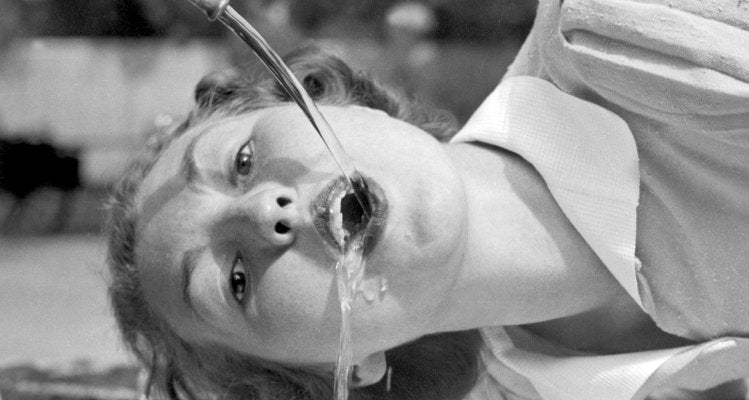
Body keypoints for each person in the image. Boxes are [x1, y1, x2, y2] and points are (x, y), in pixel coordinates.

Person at [105, 0, 749, 399]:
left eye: (241, 162)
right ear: (347, 371)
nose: (261, 215)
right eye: (236, 281)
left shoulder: (642, 27)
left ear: (334, 99)